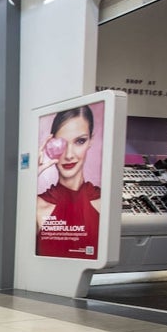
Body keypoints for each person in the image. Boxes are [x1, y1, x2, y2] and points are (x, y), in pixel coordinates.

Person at [36, 105, 100, 258]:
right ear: (50, 144)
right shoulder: (37, 205)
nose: (69, 155)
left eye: (80, 141)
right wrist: (32, 173)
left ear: (90, 141)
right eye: (62, 143)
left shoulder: (104, 202)